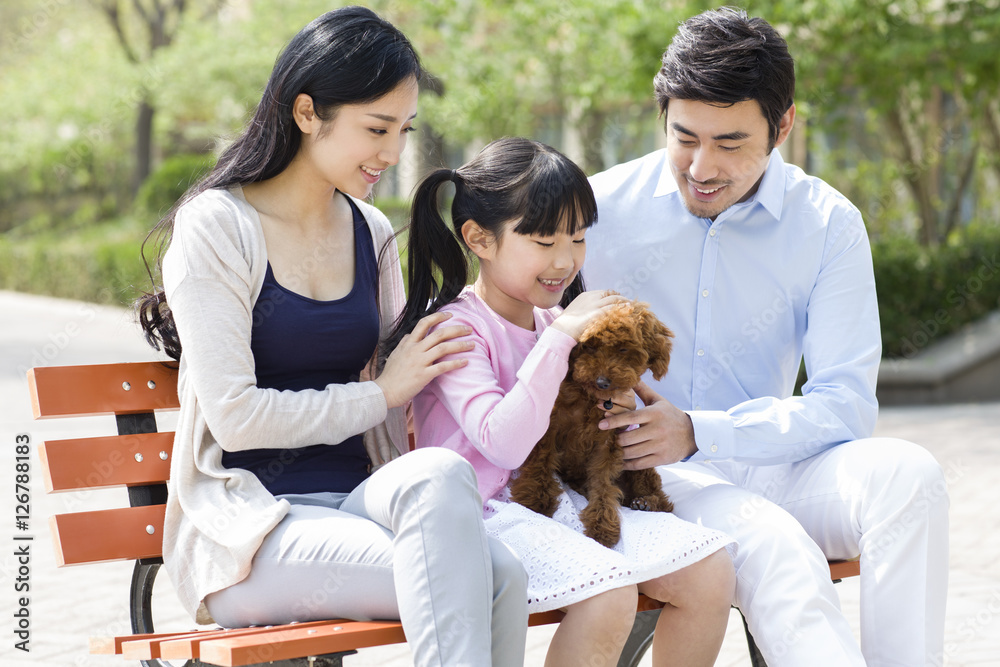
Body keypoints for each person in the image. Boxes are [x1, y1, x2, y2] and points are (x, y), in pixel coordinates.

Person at [134, 8, 528, 666]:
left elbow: (403, 400)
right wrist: (380, 393)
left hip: (356, 501)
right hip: (253, 530)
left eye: (404, 130)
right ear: (307, 112)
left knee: (456, 498)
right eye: (377, 129)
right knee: (487, 575)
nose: (394, 152)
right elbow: (236, 418)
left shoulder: (369, 231)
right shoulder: (217, 226)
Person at [584, 7, 949, 667]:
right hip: (651, 480)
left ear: (783, 125)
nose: (701, 166)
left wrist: (703, 429)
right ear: (661, 112)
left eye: (730, 143)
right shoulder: (596, 213)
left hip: (779, 465)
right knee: (776, 544)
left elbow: (844, 404)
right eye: (684, 136)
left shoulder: (827, 223)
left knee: (909, 475)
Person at [386, 137, 736, 667]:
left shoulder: (556, 324)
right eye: (544, 242)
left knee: (710, 574)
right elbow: (502, 444)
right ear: (479, 238)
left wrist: (616, 413)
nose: (566, 261)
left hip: (562, 502)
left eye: (577, 239)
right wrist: (561, 335)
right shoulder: (459, 329)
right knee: (610, 595)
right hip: (487, 514)